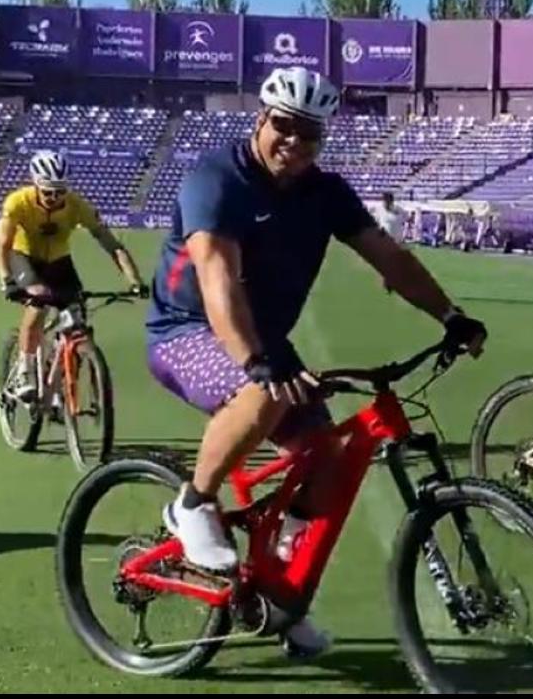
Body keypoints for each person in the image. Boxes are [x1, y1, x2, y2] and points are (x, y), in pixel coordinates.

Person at [145, 66, 487, 657]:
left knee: (326, 455)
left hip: (266, 341)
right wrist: (255, 359)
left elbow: (391, 259)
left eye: (310, 134)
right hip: (187, 330)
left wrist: (450, 315)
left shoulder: (326, 193)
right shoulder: (217, 179)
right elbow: (218, 280)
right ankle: (192, 504)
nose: (295, 143)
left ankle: (277, 599)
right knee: (265, 394)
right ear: (262, 119)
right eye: (285, 126)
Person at [0, 151, 148, 400]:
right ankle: (24, 369)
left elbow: (111, 244)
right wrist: (7, 280)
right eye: (48, 191)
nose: (54, 197)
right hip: (24, 257)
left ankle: (60, 380)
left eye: (60, 191)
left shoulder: (77, 206)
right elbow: (1, 245)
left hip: (58, 262)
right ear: (35, 185)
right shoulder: (17, 202)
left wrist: (134, 280)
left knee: (77, 319)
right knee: (38, 303)